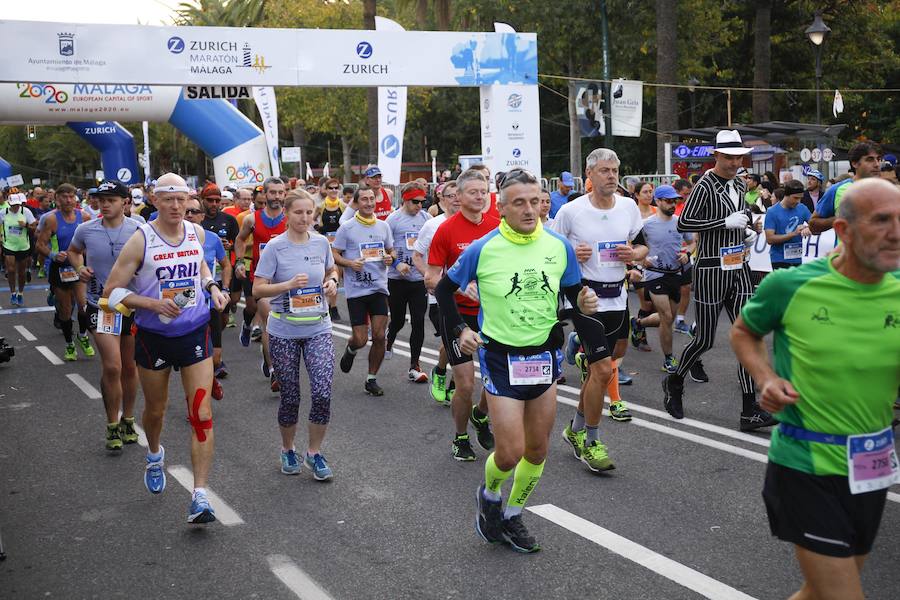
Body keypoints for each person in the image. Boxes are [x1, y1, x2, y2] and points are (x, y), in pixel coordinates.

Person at [730, 178, 900, 600]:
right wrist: (766, 378)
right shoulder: (790, 286)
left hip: (872, 463)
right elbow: (743, 332)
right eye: (882, 221)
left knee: (820, 593)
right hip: (805, 463)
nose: (896, 231)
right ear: (842, 231)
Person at [435, 168, 601, 553]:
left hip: (544, 355)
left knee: (538, 450)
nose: (530, 210)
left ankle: (512, 515)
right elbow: (444, 292)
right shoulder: (483, 248)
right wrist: (461, 329)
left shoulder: (558, 246)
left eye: (535, 201)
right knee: (508, 453)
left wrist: (584, 302)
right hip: (499, 357)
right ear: (502, 206)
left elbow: (575, 292)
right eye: (519, 203)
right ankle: (490, 493)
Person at [102, 172, 229, 524]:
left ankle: (200, 495)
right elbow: (111, 293)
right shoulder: (140, 241)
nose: (176, 206)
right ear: (154, 200)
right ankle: (155, 453)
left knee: (201, 414)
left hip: (194, 334)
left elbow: (201, 265)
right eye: (168, 199)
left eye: (181, 200)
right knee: (155, 411)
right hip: (154, 338)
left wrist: (212, 286)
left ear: (189, 201)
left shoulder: (196, 232)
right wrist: (152, 304)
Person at [661, 130, 773, 431]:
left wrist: (746, 228)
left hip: (739, 267)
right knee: (705, 339)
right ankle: (674, 381)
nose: (735, 162)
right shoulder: (705, 185)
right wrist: (723, 223)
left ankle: (750, 410)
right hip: (711, 269)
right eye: (729, 157)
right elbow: (684, 223)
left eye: (739, 157)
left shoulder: (738, 182)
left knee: (748, 337)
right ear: (717, 156)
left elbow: (740, 216)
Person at [552, 148, 648, 472]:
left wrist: (632, 253)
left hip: (619, 297)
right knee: (604, 370)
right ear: (589, 175)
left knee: (602, 367)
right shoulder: (570, 211)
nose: (611, 176)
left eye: (615, 170)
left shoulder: (628, 207)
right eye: (605, 170)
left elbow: (643, 245)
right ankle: (592, 441)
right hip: (585, 297)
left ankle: (575, 430)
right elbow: (549, 251)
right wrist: (569, 254)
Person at [252, 190, 339, 481]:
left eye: (308, 213)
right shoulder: (275, 248)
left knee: (323, 392)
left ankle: (314, 453)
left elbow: (331, 268)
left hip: (319, 327)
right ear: (287, 214)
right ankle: (288, 449)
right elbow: (258, 289)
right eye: (298, 212)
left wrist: (332, 282)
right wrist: (286, 285)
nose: (304, 218)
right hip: (284, 330)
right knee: (290, 396)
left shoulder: (320, 242)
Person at [427, 169, 498, 461]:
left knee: (496, 381)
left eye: (484, 191)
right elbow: (431, 280)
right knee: (467, 384)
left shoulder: (497, 226)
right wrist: (459, 289)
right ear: (458, 196)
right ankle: (460, 437)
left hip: (492, 315)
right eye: (473, 192)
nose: (480, 197)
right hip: (456, 314)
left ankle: (480, 416)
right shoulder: (446, 230)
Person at [66, 180, 141, 451]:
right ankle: (112, 424)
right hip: (102, 305)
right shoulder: (86, 229)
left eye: (111, 199)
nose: (105, 204)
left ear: (125, 202)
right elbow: (73, 252)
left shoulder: (139, 229)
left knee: (130, 367)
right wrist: (80, 268)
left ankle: (128, 418)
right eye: (101, 199)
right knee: (113, 366)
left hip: (133, 306)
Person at [331, 186, 396, 396]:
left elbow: (391, 250)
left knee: (379, 336)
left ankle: (371, 378)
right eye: (364, 200)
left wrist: (391, 258)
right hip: (357, 291)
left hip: (379, 288)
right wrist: (349, 263)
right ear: (357, 203)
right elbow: (334, 254)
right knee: (360, 339)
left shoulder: (384, 226)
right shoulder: (347, 228)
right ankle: (351, 349)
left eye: (372, 199)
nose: (369, 203)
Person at [630, 185, 695, 373]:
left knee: (667, 319)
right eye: (668, 200)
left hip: (675, 274)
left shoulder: (679, 222)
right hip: (654, 274)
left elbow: (691, 243)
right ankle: (668, 359)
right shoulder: (646, 224)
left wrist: (687, 255)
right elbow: (633, 246)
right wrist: (643, 259)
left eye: (675, 200)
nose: (672, 204)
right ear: (657, 202)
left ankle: (638, 323)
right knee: (666, 317)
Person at [234, 177, 287, 392]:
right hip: (262, 278)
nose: (276, 197)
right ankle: (275, 371)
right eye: (272, 192)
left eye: (280, 192)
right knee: (269, 321)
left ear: (285, 194)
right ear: (264, 194)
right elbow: (240, 240)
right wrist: (239, 261)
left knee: (286, 324)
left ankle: (270, 358)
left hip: (286, 279)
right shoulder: (252, 220)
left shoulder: (291, 218)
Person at [414, 181, 460, 405]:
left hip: (471, 295)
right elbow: (416, 256)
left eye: (458, 195)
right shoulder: (433, 226)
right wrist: (430, 278)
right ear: (441, 200)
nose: (456, 200)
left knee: (463, 342)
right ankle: (442, 372)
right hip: (442, 295)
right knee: (453, 340)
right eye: (450, 196)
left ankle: (450, 379)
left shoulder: (471, 223)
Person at [36, 183, 94, 361]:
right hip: (60, 269)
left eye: (71, 196)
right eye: (64, 197)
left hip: (78, 267)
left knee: (84, 306)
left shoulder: (84, 216)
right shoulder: (51, 219)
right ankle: (69, 344)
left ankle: (83, 336)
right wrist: (53, 255)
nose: (69, 200)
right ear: (57, 199)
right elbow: (40, 244)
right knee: (65, 310)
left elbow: (89, 242)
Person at [384, 182, 432, 384]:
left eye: (422, 202)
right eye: (415, 202)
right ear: (405, 199)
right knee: (397, 320)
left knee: (419, 321)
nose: (419, 206)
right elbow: (384, 248)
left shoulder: (427, 219)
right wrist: (396, 263)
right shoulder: (392, 220)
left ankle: (415, 365)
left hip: (419, 279)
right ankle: (390, 337)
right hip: (397, 279)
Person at [185, 196, 231, 400]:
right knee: (192, 360)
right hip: (184, 305)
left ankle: (209, 377)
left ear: (202, 216)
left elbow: (226, 264)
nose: (189, 215)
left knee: (216, 357)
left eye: (194, 212)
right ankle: (195, 398)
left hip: (209, 301)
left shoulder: (211, 238)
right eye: (187, 211)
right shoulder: (168, 239)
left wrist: (225, 289)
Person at [810, 141, 882, 234]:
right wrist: (843, 219)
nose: (876, 164)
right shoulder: (837, 190)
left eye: (879, 159)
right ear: (855, 164)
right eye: (870, 159)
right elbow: (813, 225)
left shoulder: (888, 190)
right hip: (847, 248)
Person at [764, 179, 812, 270]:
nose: (798, 201)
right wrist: (794, 233)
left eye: (800, 198)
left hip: (797, 258)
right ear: (786, 195)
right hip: (779, 259)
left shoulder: (802, 208)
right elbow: (770, 239)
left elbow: (816, 225)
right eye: (795, 198)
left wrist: (809, 228)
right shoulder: (772, 211)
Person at [315, 178, 345, 322]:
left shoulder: (343, 206)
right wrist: (317, 230)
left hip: (338, 247)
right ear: (325, 190)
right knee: (325, 275)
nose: (333, 191)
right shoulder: (320, 206)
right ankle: (325, 305)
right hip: (324, 245)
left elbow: (348, 221)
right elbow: (312, 220)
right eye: (330, 188)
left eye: (336, 188)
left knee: (336, 274)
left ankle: (333, 307)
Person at [1, 192, 36, 306]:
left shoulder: (25, 212)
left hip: (23, 246)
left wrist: (25, 225)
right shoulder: (3, 212)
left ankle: (20, 293)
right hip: (9, 245)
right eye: (13, 205)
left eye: (17, 205)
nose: (15, 207)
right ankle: (12, 293)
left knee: (21, 273)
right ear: (9, 204)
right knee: (11, 270)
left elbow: (34, 227)